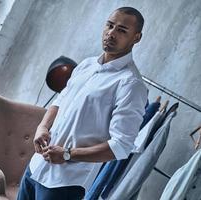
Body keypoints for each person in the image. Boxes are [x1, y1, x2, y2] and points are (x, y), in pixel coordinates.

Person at [17, 6, 148, 200]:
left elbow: (121, 145)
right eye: (110, 25)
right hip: (36, 166)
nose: (111, 33)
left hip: (64, 184)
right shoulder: (86, 65)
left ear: (136, 37)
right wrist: (42, 127)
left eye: (121, 30)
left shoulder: (131, 84)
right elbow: (61, 100)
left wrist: (67, 155)